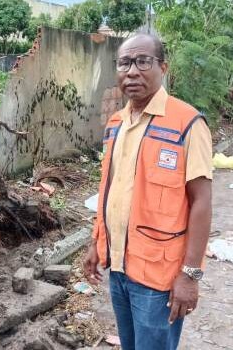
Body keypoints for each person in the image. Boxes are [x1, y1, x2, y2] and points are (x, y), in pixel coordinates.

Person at [83, 33, 213, 350]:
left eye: (143, 61)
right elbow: (110, 189)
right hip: (119, 268)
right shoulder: (116, 122)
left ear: (162, 67)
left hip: (159, 277)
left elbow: (202, 202)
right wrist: (94, 242)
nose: (132, 71)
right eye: (125, 63)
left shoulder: (187, 123)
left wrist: (190, 275)